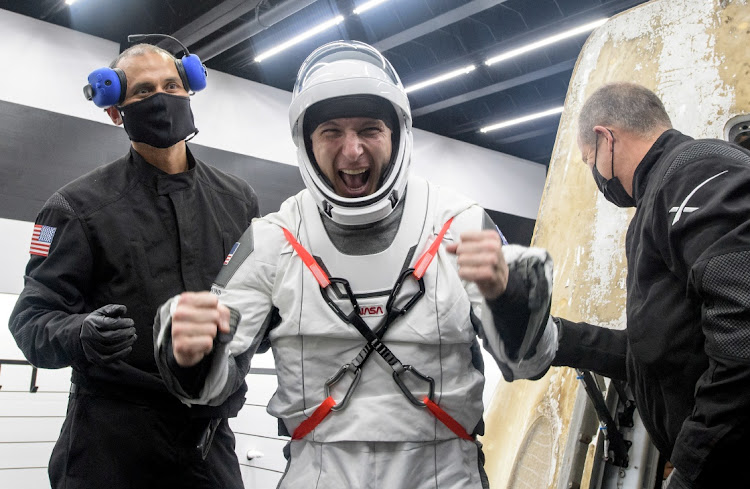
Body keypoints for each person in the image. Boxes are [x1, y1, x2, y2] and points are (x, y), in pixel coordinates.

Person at [152, 40, 556, 489]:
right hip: (319, 471)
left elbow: (528, 365)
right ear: (306, 142)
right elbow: (207, 390)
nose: (352, 151)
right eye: (331, 132)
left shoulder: (459, 224)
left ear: (398, 135)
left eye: (370, 129)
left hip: (443, 472)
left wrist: (513, 298)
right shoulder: (273, 239)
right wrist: (188, 354)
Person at [9, 42, 259, 489]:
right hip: (111, 448)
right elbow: (31, 320)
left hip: (208, 444)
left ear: (190, 90)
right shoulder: (76, 208)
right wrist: (80, 333)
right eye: (143, 92)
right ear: (114, 110)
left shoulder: (237, 201)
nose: (161, 98)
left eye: (171, 86)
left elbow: (258, 301)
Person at [526, 82, 749, 488]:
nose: (596, 175)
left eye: (589, 160)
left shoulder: (696, 176)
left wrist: (692, 467)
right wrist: (557, 338)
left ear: (604, 138)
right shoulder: (658, 198)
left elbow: (743, 342)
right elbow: (657, 345)